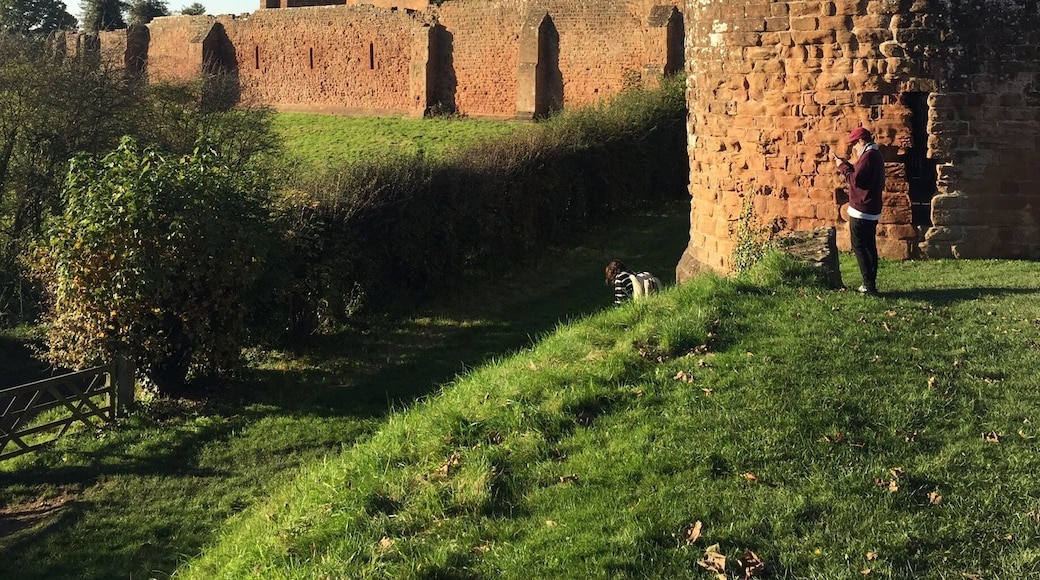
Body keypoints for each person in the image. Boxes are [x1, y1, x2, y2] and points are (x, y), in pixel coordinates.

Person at [833, 126, 885, 295]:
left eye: (854, 143)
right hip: (871, 208)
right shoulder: (875, 155)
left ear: (861, 141)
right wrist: (847, 164)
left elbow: (854, 180)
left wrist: (842, 167)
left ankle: (868, 285)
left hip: (862, 209)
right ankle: (871, 283)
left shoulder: (868, 157)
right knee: (870, 246)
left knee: (859, 246)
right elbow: (860, 174)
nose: (854, 147)